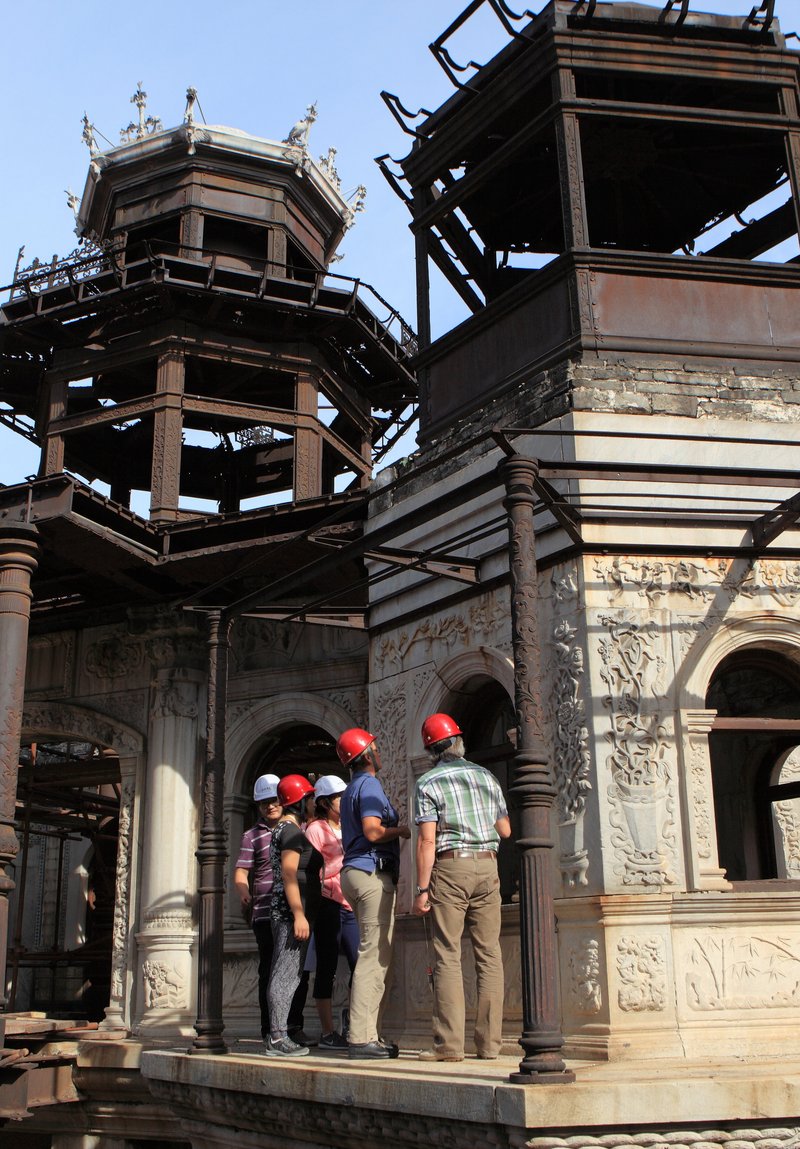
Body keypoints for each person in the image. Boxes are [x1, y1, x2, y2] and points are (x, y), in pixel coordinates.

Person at [412, 713, 511, 1062]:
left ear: (431, 750)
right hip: (488, 864)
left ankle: (449, 1046)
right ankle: (490, 1045)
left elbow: (426, 842)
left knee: (447, 954)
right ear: (459, 743)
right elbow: (505, 830)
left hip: (451, 866)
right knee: (489, 955)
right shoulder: (486, 776)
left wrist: (422, 890)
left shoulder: (428, 783)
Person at [337, 727, 410, 1060]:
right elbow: (373, 830)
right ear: (366, 755)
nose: (379, 752)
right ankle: (361, 1037)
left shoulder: (353, 788)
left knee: (373, 953)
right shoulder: (369, 785)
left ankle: (368, 1033)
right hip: (370, 872)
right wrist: (404, 830)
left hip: (355, 871)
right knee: (373, 956)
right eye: (375, 748)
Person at [233, 774, 309, 1044]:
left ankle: (292, 1026)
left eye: (273, 801)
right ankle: (272, 1030)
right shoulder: (252, 835)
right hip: (266, 910)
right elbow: (241, 872)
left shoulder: (296, 829)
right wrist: (244, 894)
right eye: (263, 803)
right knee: (271, 969)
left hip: (290, 907)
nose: (269, 806)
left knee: (296, 970)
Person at [265, 773, 323, 1058]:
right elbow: (288, 874)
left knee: (288, 973)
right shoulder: (290, 832)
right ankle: (278, 1036)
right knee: (285, 975)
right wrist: (299, 914)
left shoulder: (287, 830)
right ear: (299, 801)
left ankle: (279, 1033)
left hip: (292, 912)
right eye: (309, 798)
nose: (313, 802)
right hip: (290, 913)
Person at [304, 775, 360, 1049]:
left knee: (359, 966)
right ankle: (327, 1032)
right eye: (339, 797)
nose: (344, 800)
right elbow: (310, 869)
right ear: (325, 803)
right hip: (328, 902)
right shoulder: (316, 829)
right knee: (326, 968)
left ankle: (355, 1022)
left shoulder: (351, 825)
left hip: (352, 903)